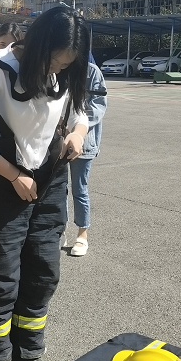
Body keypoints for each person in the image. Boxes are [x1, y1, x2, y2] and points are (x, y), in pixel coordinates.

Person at [0, 6, 90, 361]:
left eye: (65, 64)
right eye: (52, 60)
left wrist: (78, 134)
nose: (57, 70)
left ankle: (27, 357)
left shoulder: (65, 72)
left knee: (42, 275)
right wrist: (13, 175)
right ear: (35, 47)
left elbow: (80, 110)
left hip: (49, 181)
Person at [66, 62, 107, 257]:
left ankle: (82, 234)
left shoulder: (91, 71)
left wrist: (76, 131)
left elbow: (97, 107)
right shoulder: (55, 66)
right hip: (55, 140)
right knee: (57, 190)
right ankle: (59, 231)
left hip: (84, 140)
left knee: (79, 190)